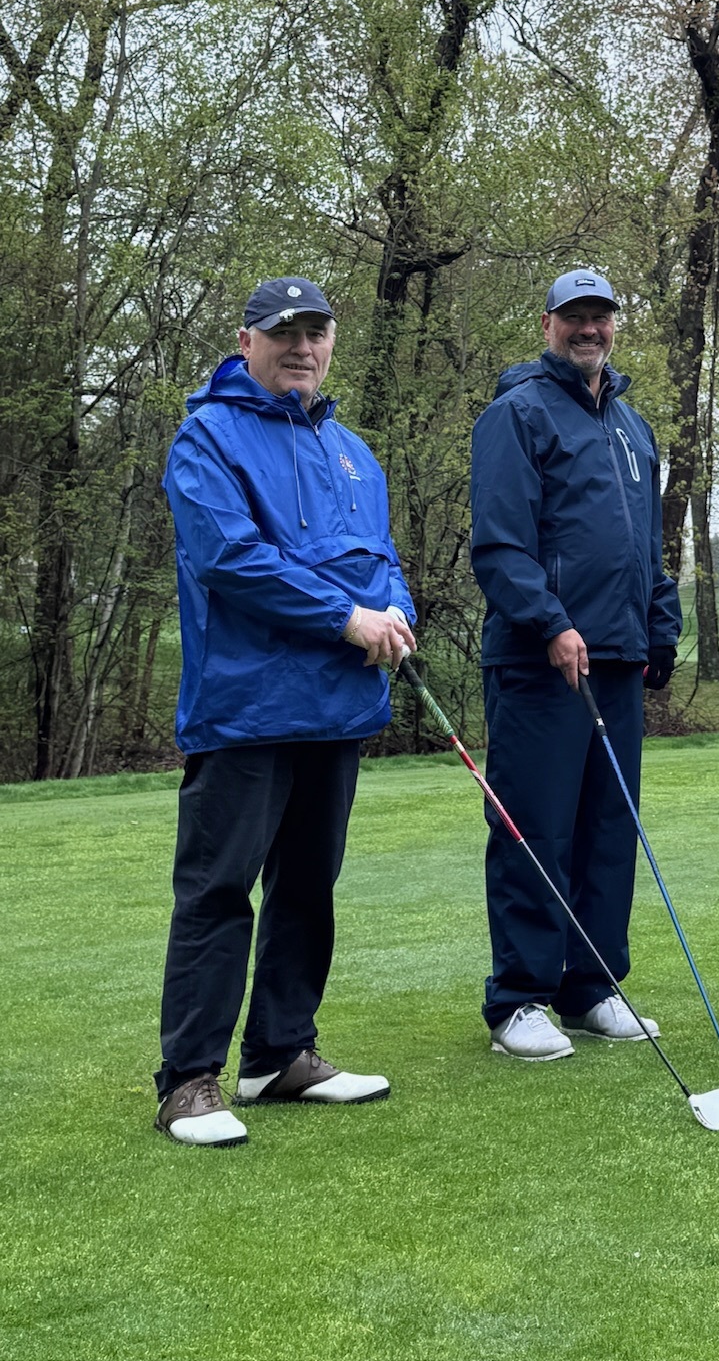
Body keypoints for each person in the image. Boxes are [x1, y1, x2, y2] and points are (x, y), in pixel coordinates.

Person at [154, 278, 416, 1147]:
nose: (302, 348)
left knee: (307, 887)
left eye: (316, 333)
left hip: (336, 708)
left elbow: (381, 561)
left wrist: (395, 612)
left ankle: (280, 1055)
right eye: (284, 333)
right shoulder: (208, 436)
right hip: (247, 708)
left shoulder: (352, 451)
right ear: (247, 342)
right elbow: (230, 559)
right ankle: (189, 1081)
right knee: (219, 892)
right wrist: (348, 619)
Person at [469, 268, 682, 1061]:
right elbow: (499, 546)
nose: (588, 329)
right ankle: (518, 998)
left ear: (615, 324)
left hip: (618, 658)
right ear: (548, 323)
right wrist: (550, 622)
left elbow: (647, 546)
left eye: (600, 316)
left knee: (607, 829)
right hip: (541, 661)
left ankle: (591, 987)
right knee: (535, 828)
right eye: (574, 317)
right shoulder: (516, 414)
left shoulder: (631, 425)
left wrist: (661, 627)